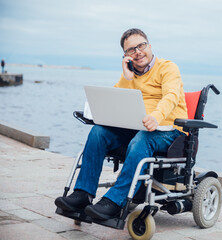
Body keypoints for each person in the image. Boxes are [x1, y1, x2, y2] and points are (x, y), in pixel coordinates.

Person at [55, 28, 188, 220]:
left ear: (149, 46)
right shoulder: (129, 75)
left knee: (142, 140)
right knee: (98, 132)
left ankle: (116, 201)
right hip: (137, 127)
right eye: (131, 50)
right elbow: (117, 102)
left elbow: (171, 96)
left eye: (141, 46)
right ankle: (83, 194)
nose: (137, 52)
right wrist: (127, 78)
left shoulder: (168, 67)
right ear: (125, 55)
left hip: (168, 130)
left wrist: (156, 116)